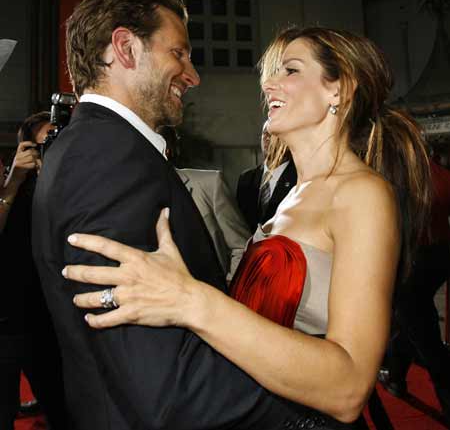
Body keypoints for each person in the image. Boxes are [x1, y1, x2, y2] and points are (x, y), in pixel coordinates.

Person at [61, 26, 431, 428]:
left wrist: (190, 300)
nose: (270, 84)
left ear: (338, 90)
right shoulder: (292, 196)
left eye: (290, 70)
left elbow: (348, 388)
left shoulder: (361, 194)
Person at [32, 0, 312, 430]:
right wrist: (304, 418)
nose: (193, 75)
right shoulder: (108, 158)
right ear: (125, 48)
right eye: (179, 53)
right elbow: (168, 390)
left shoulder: (92, 147)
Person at [0, 112, 67, 430]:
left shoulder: (73, 188)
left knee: (64, 409)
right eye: (43, 146)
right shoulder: (10, 188)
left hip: (59, 322)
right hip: (13, 322)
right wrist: (14, 181)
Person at [379, 155, 450, 427]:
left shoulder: (403, 177)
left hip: (414, 261)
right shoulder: (439, 173)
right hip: (440, 257)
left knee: (426, 338)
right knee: (408, 321)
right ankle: (396, 377)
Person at [161, 125, 250, 277]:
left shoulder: (210, 183)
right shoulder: (129, 195)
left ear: (168, 149)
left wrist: (229, 288)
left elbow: (241, 246)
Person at [237, 120, 297, 233]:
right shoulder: (246, 178)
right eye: (265, 133)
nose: (267, 138)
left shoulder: (299, 178)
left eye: (273, 135)